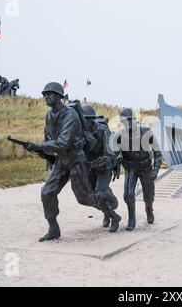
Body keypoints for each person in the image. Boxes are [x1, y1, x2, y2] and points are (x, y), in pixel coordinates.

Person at [27, 82, 121, 242]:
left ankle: (112, 214)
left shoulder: (70, 115)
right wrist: (40, 149)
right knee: (47, 192)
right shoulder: (49, 115)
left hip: (76, 159)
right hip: (62, 160)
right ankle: (53, 229)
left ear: (58, 96)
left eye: (49, 94)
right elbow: (52, 140)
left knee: (83, 198)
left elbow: (63, 142)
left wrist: (39, 146)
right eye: (44, 94)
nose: (46, 97)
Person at [113, 108, 162, 231]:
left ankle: (149, 210)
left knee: (149, 195)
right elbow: (113, 152)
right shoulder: (119, 134)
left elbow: (157, 151)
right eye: (125, 121)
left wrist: (155, 169)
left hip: (145, 167)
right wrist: (116, 160)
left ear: (134, 120)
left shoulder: (146, 131)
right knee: (128, 195)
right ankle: (131, 219)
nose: (128, 123)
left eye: (129, 120)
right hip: (130, 167)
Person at [82, 105, 119, 229]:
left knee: (100, 192)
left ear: (93, 119)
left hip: (104, 167)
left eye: (89, 119)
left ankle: (113, 213)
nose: (86, 122)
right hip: (89, 168)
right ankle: (107, 213)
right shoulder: (80, 132)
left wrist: (101, 162)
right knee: (90, 196)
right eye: (84, 119)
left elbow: (110, 152)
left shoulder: (103, 130)